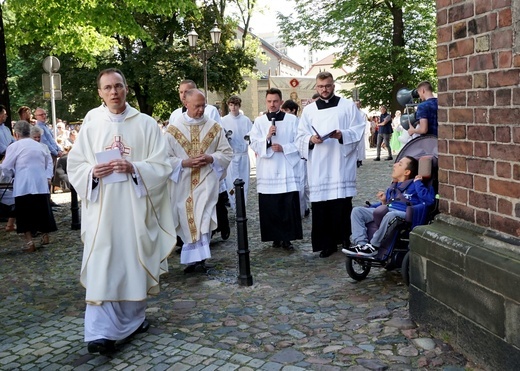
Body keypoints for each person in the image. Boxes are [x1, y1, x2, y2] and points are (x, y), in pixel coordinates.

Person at [67, 68, 176, 355]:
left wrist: (135, 167)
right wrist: (92, 172)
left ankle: (134, 320)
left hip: (134, 208)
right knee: (103, 263)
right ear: (100, 93)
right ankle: (99, 332)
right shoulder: (91, 125)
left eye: (118, 86)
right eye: (107, 88)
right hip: (101, 210)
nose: (114, 92)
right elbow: (75, 166)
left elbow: (163, 165)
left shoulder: (147, 124)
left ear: (126, 88)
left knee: (131, 260)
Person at [296, 71, 366, 258]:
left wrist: (342, 135)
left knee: (342, 204)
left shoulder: (347, 106)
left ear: (333, 86)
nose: (324, 89)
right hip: (319, 163)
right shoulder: (309, 110)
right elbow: (300, 136)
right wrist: (311, 139)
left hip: (340, 162)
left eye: (327, 86)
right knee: (321, 206)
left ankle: (344, 238)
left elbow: (358, 129)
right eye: (320, 86)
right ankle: (326, 244)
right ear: (316, 87)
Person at [166, 88, 232, 273]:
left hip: (206, 180)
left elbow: (226, 153)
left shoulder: (214, 127)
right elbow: (163, 158)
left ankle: (201, 258)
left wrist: (211, 158)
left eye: (203, 105)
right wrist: (184, 162)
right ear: (186, 104)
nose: (201, 110)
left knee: (204, 216)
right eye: (197, 106)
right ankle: (191, 260)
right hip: (183, 183)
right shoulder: (173, 130)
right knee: (187, 218)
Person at [343, 156, 435, 256]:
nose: (394, 165)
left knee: (391, 215)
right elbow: (386, 204)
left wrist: (418, 183)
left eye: (399, 164)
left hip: (404, 213)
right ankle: (361, 245)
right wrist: (381, 202)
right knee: (357, 211)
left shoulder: (417, 185)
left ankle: (374, 246)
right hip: (389, 209)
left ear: (407, 172)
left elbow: (429, 201)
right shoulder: (393, 187)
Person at [249, 88, 303, 250]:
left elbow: (300, 141)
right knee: (270, 206)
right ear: (266, 102)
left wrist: (284, 147)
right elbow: (253, 142)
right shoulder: (259, 122)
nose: (272, 105)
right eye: (269, 101)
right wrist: (266, 139)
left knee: (286, 205)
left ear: (281, 102)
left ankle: (287, 238)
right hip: (268, 169)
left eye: (275, 101)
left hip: (286, 167)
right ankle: (274, 237)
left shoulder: (292, 120)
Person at [0, 120, 57, 251]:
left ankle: (30, 242)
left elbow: (6, 167)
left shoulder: (14, 146)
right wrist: (46, 176)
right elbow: (47, 163)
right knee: (42, 209)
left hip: (23, 184)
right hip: (40, 183)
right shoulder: (40, 146)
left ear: (16, 134)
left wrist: (12, 172)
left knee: (25, 213)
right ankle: (45, 234)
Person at [221, 95, 253, 210]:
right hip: (231, 156)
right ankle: (234, 206)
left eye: (235, 105)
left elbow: (252, 135)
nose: (233, 107)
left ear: (239, 106)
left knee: (244, 182)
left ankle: (242, 207)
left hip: (243, 155)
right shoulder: (223, 121)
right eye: (231, 105)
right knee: (231, 183)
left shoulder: (246, 120)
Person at [281, 99, 310, 218]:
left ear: (293, 111)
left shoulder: (299, 123)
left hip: (300, 158)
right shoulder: (284, 123)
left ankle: (302, 209)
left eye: (286, 110)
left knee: (302, 186)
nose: (284, 112)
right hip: (287, 158)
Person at [354, 100, 370, 168]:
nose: (357, 105)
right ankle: (355, 159)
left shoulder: (362, 114)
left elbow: (363, 123)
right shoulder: (351, 112)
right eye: (355, 104)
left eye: (358, 104)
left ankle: (359, 160)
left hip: (360, 132)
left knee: (360, 147)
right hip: (353, 132)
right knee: (355, 147)